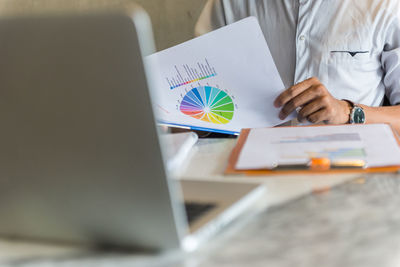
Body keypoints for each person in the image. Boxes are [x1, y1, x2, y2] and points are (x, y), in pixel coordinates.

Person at [195, 0, 400, 132]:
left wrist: (347, 112)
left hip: (353, 176)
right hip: (251, 173)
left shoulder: (386, 5)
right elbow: (193, 99)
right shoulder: (226, 4)